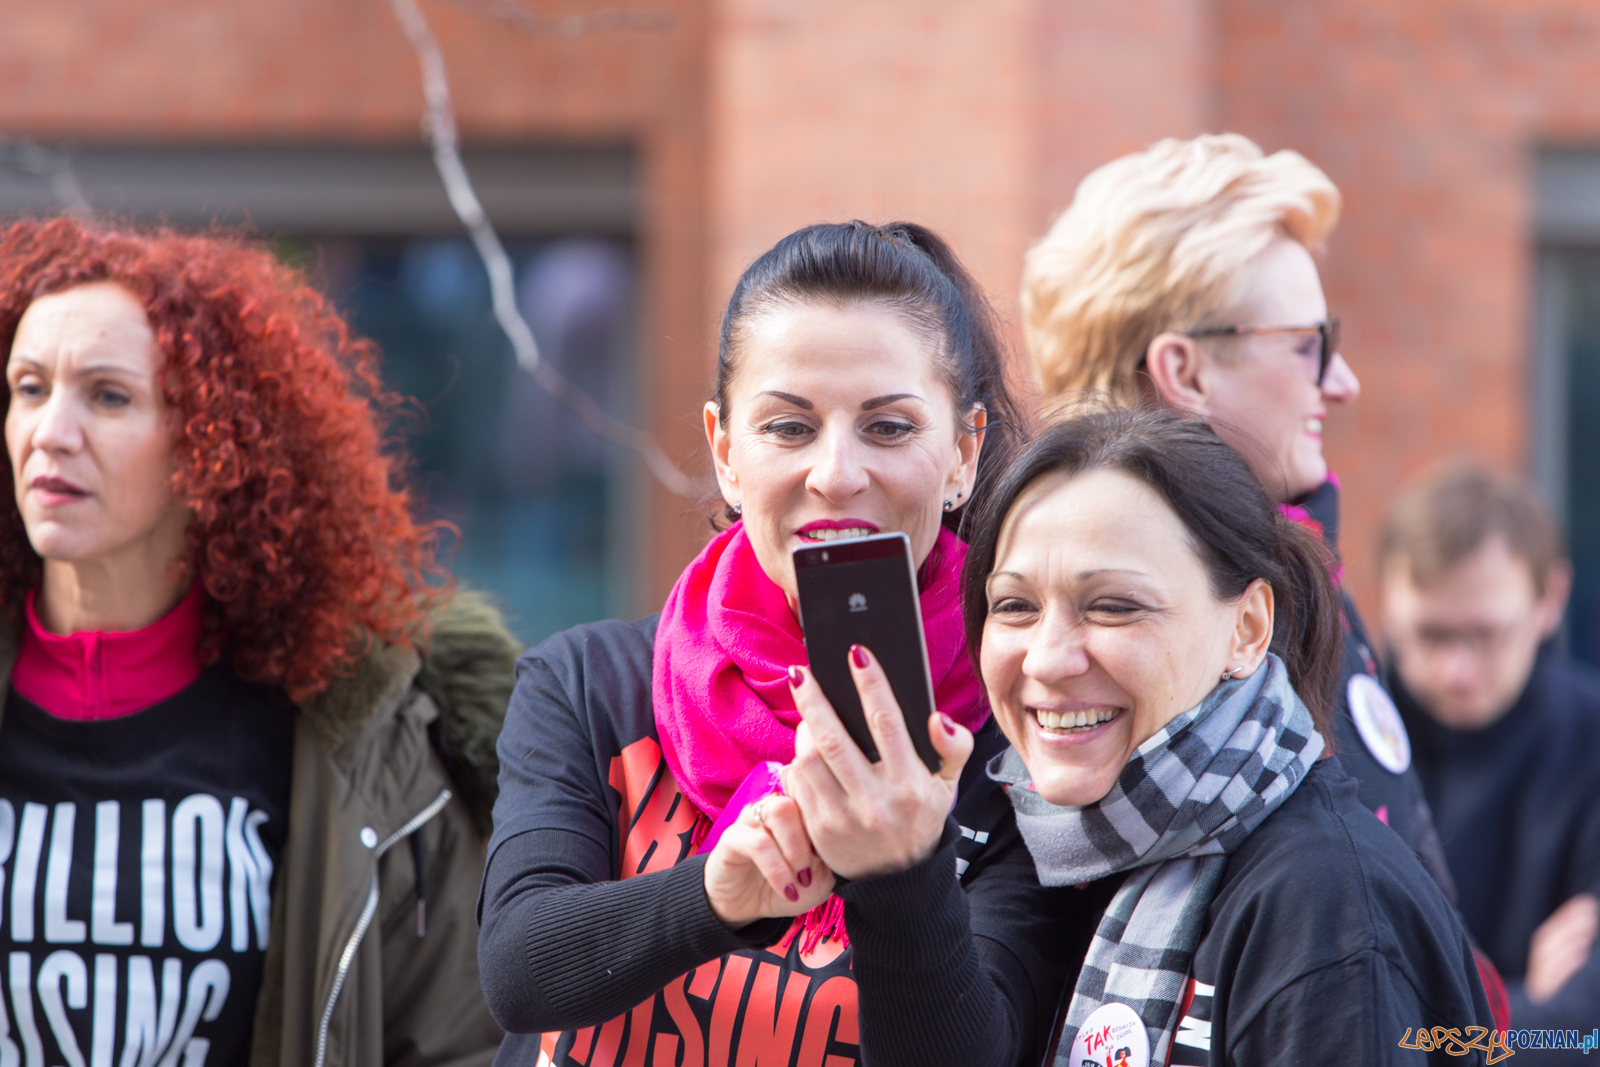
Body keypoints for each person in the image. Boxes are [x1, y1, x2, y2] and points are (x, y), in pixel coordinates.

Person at [478, 221, 1087, 1067]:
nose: (836, 473)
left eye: (889, 428)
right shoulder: (591, 683)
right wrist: (712, 894)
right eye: (789, 428)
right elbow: (518, 969)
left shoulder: (1025, 737)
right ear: (726, 452)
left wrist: (903, 865)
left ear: (964, 453)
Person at [0, 218, 515, 1067]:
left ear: (209, 445)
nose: (51, 431)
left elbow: (460, 1041)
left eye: (108, 395)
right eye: (27, 387)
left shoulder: (359, 740)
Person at [955, 409, 1491, 1065]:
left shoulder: (1325, 907)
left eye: (1114, 605)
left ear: (1247, 628)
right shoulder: (1073, 857)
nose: (1044, 658)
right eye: (1015, 605)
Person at [1019, 133, 1463, 903]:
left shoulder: (1296, 580)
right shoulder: (1176, 647)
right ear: (1183, 371)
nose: (1345, 383)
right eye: (1307, 346)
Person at [1381, 463, 1600, 1060]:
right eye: (1429, 635)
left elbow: (1586, 1035)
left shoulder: (1591, 742)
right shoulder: (1334, 738)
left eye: (1485, 635)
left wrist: (1409, 1029)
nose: (1457, 670)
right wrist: (1521, 1002)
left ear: (1549, 599)